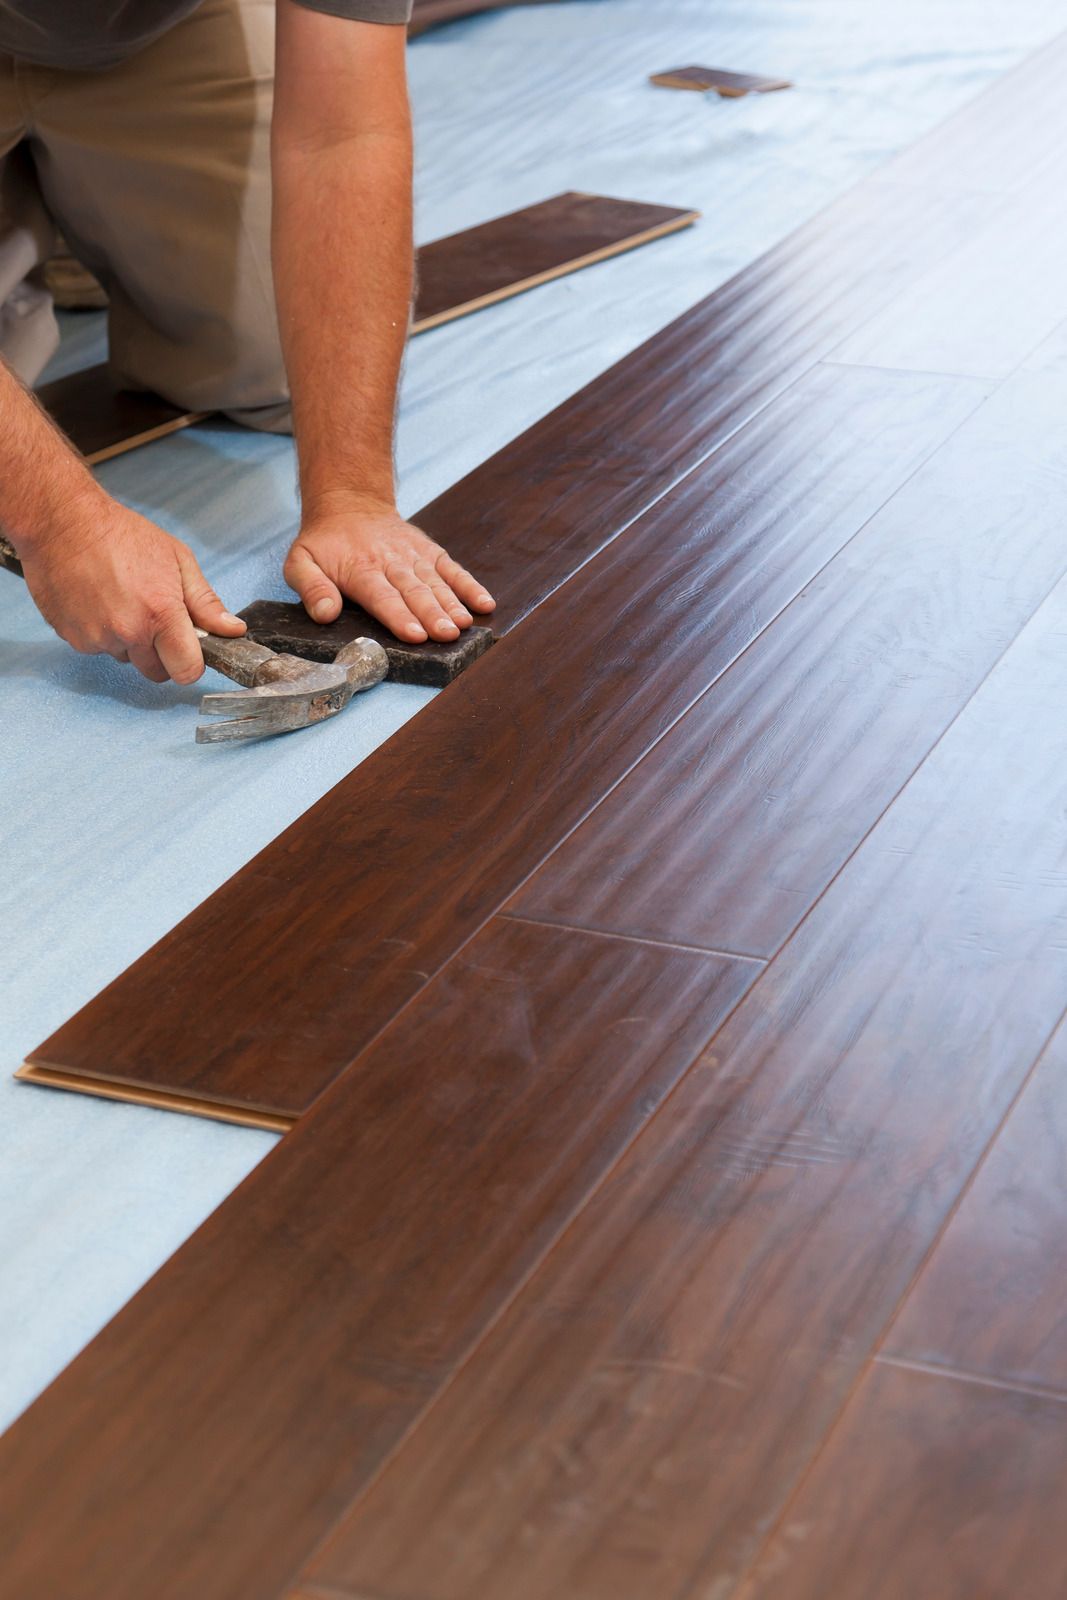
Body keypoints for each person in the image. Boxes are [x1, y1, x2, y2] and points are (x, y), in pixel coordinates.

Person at [0, 0, 495, 685]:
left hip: (150, 34)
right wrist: (59, 524)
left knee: (279, 367)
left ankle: (70, 208)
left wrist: (353, 498)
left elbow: (341, 134)